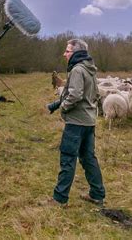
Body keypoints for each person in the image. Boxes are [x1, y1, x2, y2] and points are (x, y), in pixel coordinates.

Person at [46, 39, 106, 207]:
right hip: (89, 121)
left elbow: (75, 95)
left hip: (76, 122)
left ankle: (59, 199)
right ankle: (97, 194)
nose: (64, 54)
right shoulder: (90, 69)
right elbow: (95, 94)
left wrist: (63, 108)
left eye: (67, 51)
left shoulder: (78, 70)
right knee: (88, 158)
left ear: (76, 53)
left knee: (68, 157)